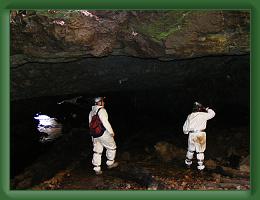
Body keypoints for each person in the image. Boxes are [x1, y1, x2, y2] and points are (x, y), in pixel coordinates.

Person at [89, 97, 118, 175]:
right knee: (112, 147)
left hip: (95, 134)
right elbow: (105, 122)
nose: (104, 103)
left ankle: (97, 168)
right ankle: (110, 163)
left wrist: (92, 137)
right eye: (102, 101)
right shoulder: (102, 110)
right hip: (103, 133)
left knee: (97, 151)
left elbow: (90, 125)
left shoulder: (91, 112)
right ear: (99, 102)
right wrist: (111, 132)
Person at [183, 102, 215, 171]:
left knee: (190, 150)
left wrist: (186, 132)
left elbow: (185, 127)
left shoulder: (190, 116)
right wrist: (207, 109)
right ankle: (200, 168)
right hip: (200, 134)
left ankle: (188, 164)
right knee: (200, 152)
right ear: (200, 108)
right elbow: (213, 114)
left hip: (191, 134)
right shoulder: (203, 115)